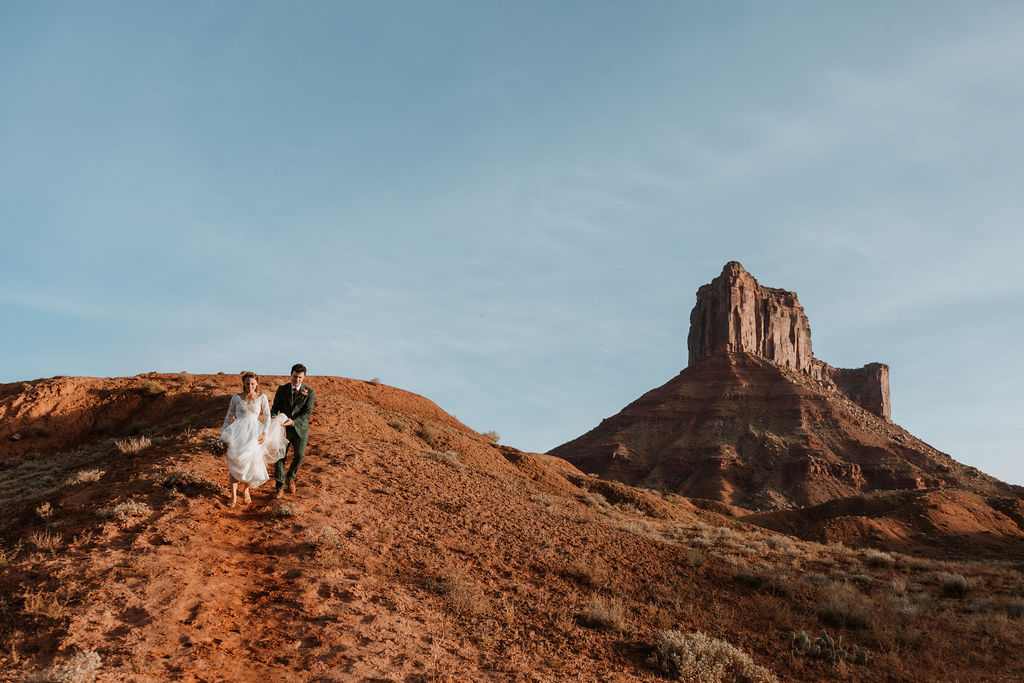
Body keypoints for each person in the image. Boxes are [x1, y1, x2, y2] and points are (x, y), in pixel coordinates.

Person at [220, 372, 288, 507]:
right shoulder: (236, 397)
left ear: (256, 384)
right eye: (247, 383)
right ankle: (233, 496)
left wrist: (264, 433)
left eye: (252, 383)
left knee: (248, 463)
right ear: (243, 384)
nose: (249, 386)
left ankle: (246, 491)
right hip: (236, 433)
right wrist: (223, 435)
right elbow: (229, 416)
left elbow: (268, 417)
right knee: (235, 462)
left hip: (254, 433)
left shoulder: (262, 397)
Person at [270, 363, 315, 499]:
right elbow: (275, 407)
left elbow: (307, 413)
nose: (297, 380)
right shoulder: (282, 389)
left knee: (300, 456)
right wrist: (274, 419)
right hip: (282, 429)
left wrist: (293, 421)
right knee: (279, 457)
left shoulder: (309, 392)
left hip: (299, 429)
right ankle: (279, 486)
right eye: (295, 377)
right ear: (291, 375)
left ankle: (291, 476)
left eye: (300, 378)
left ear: (304, 377)